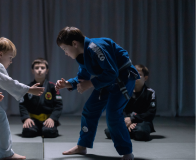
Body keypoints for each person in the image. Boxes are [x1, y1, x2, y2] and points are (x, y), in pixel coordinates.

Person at [55, 26, 139, 160]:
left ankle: (127, 152)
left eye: (65, 49)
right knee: (89, 110)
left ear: (74, 44)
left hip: (123, 78)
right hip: (105, 80)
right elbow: (83, 78)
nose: (65, 53)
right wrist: (68, 84)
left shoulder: (95, 47)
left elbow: (112, 72)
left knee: (113, 114)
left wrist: (90, 84)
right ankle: (82, 146)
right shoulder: (82, 56)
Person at [104, 64, 156, 141]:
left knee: (141, 132)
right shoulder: (125, 91)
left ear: (145, 78)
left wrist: (133, 119)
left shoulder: (150, 93)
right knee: (109, 131)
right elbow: (120, 109)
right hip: (126, 120)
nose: (136, 76)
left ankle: (129, 131)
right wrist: (126, 121)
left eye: (139, 74)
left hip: (142, 121)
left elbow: (151, 113)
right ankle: (129, 130)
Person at [19, 58, 63, 138]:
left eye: (42, 68)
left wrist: (52, 119)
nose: (39, 70)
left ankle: (45, 129)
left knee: (49, 132)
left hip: (48, 119)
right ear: (32, 70)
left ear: (47, 71)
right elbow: (22, 105)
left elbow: (58, 105)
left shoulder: (53, 87)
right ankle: (38, 129)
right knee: (28, 132)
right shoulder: (27, 88)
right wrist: (26, 118)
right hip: (33, 120)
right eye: (36, 68)